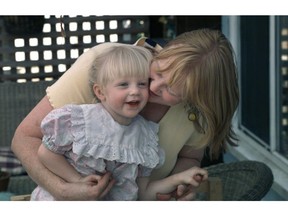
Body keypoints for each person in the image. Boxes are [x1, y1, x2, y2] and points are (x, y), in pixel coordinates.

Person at [11, 28, 239, 201]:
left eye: (170, 90)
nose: (152, 87)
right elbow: (26, 138)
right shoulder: (106, 65)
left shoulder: (198, 114)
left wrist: (178, 188)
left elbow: (189, 158)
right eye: (158, 70)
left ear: (195, 98)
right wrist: (64, 189)